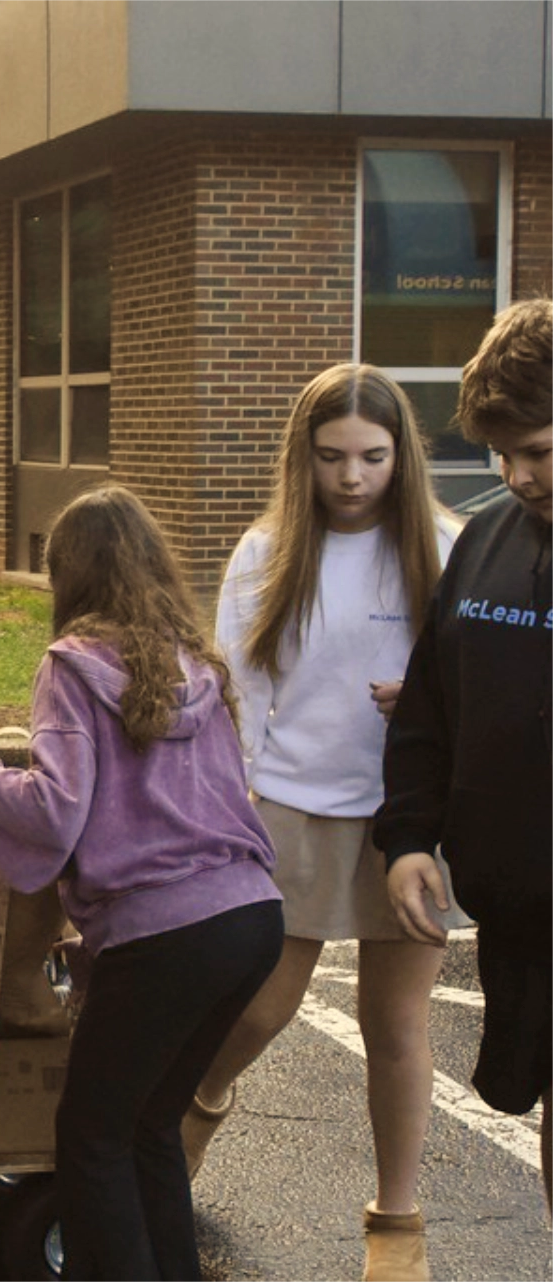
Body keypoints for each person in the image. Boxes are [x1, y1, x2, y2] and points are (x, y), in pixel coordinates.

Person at [0, 486, 284, 1282]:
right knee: (150, 1127)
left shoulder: (72, 665)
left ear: (66, 574)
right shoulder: (195, 663)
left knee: (92, 1138)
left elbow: (52, 811)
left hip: (165, 931)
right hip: (250, 916)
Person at [189, 364, 462, 1280]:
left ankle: (397, 1221)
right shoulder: (268, 550)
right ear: (301, 457)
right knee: (261, 1006)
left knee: (399, 1026)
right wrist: (233, 804)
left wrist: (427, 698)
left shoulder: (446, 544)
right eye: (332, 456)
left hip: (410, 819)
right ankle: (196, 1109)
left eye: (372, 457)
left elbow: (484, 682)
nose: (352, 477)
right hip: (291, 809)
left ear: (402, 455)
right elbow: (235, 689)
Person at [377, 297, 553, 1233]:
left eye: (540, 452)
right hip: (522, 917)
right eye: (502, 455)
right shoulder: (485, 542)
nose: (517, 476)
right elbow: (430, 709)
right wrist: (409, 837)